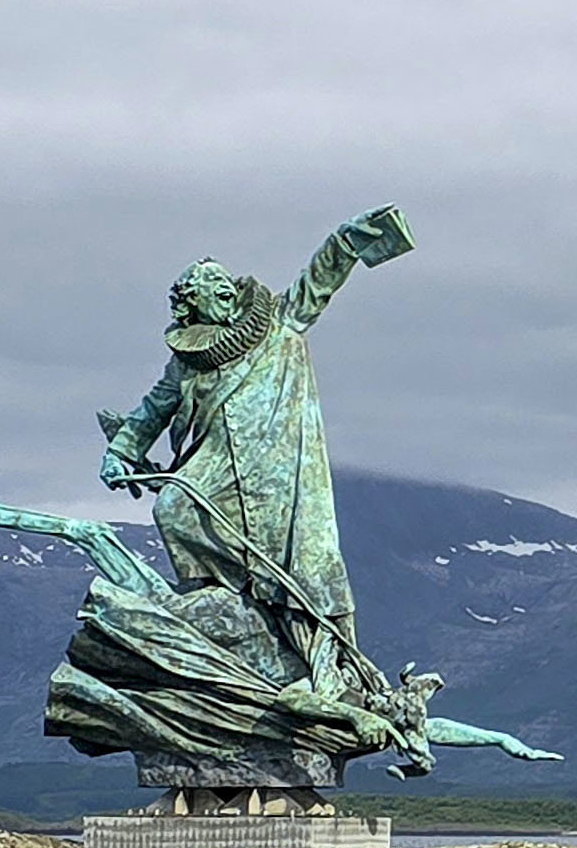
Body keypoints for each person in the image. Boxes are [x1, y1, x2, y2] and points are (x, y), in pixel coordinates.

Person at [97, 206, 412, 696]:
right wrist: (121, 451)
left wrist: (354, 238)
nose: (223, 286)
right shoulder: (186, 363)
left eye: (225, 281)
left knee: (300, 565)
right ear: (191, 303)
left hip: (274, 475)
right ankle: (221, 600)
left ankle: (310, 652)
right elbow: (153, 409)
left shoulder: (278, 322)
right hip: (216, 464)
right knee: (173, 508)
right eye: (210, 285)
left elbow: (319, 278)